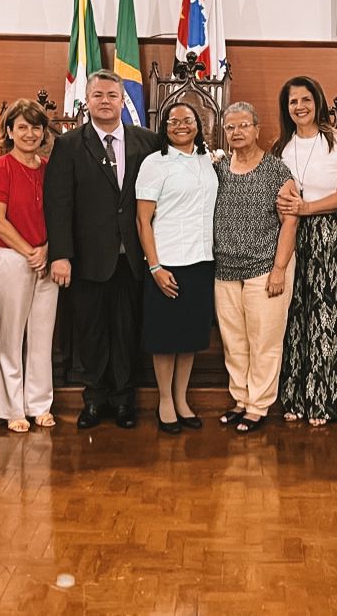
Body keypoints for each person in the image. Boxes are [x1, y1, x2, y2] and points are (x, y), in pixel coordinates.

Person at [45, 71, 164, 429]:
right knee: (92, 332)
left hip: (133, 257)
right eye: (98, 95)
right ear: (87, 99)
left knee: (127, 331)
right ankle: (95, 399)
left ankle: (125, 401)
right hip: (87, 259)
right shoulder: (68, 145)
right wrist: (60, 254)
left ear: (122, 99)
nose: (105, 101)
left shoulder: (147, 141)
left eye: (112, 95)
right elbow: (58, 203)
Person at [274, 76, 337, 427]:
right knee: (295, 315)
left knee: (327, 316)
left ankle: (326, 400)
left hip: (331, 233)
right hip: (290, 234)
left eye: (306, 100)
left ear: (318, 101)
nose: (300, 107)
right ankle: (294, 397)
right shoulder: (281, 146)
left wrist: (307, 209)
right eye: (293, 102)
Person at [213, 102, 299, 434]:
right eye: (231, 127)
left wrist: (279, 269)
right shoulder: (218, 169)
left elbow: (290, 221)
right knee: (234, 341)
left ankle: (259, 404)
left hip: (265, 269)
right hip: (225, 269)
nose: (237, 132)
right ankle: (240, 399)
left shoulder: (277, 170)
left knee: (264, 341)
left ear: (257, 129)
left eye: (243, 125)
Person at [136, 102, 219, 434]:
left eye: (188, 120)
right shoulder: (155, 164)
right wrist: (154, 266)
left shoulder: (208, 160)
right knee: (165, 339)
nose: (181, 125)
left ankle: (182, 398)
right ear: (164, 127)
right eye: (173, 121)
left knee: (190, 338)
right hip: (167, 262)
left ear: (198, 125)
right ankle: (165, 402)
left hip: (201, 260)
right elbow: (143, 221)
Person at [0, 99, 58, 433]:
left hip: (47, 258)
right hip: (12, 258)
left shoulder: (51, 167)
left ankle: (39, 404)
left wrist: (47, 250)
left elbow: (60, 215)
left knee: (42, 336)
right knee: (10, 337)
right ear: (9, 131)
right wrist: (31, 252)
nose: (29, 133)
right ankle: (13, 408)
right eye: (22, 127)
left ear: (43, 132)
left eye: (35, 127)